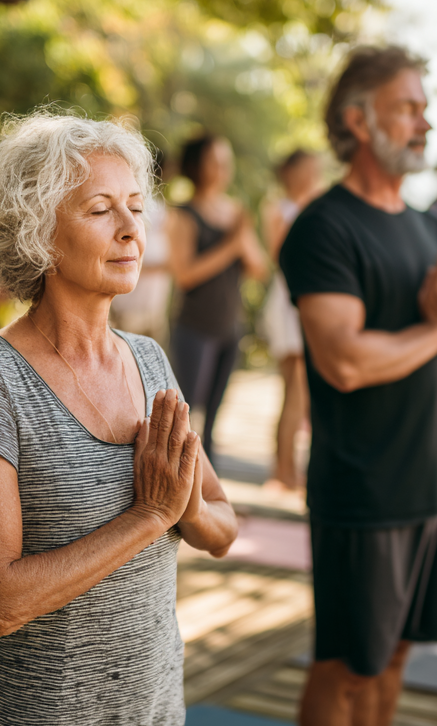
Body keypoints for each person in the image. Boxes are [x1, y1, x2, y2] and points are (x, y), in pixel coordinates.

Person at [0, 111, 238, 726]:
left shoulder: (151, 362)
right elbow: (0, 602)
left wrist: (180, 507)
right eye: (102, 210)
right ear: (38, 231)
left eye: (136, 208)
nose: (132, 230)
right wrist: (147, 518)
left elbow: (222, 527)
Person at [279, 46, 437, 726]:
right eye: (408, 107)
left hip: (428, 481)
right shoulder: (323, 228)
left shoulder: (435, 224)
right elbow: (342, 362)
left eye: (422, 107)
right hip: (360, 487)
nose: (424, 120)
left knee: (396, 656)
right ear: (357, 121)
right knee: (343, 665)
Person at [168, 133, 267, 461]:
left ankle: (210, 495)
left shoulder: (236, 212)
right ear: (197, 166)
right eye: (215, 161)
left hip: (230, 326)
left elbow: (258, 268)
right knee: (187, 413)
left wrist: (242, 240)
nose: (224, 168)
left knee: (214, 419)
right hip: (195, 326)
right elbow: (184, 274)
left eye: (227, 161)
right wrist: (230, 246)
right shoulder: (183, 213)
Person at [261, 148, 325, 490]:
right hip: (287, 303)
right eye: (310, 169)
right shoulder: (278, 208)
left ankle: (288, 468)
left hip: (306, 302)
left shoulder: (319, 205)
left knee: (300, 392)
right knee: (295, 387)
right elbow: (278, 253)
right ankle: (283, 470)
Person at [109, 146, 172, 344]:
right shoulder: (141, 207)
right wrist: (167, 265)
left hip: (154, 307)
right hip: (131, 308)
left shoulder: (162, 208)